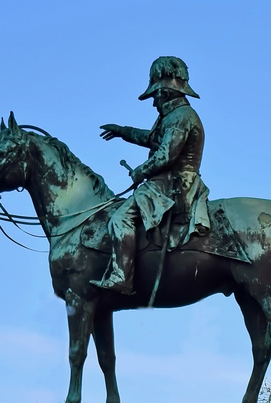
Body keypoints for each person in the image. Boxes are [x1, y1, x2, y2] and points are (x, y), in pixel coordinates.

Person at [91, 55, 212, 296]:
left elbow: (166, 155)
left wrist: (139, 172)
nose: (153, 102)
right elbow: (152, 139)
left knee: (119, 219)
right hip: (170, 182)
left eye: (155, 95)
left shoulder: (181, 117)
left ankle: (121, 276)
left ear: (165, 92)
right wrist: (123, 132)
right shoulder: (173, 117)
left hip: (172, 186)